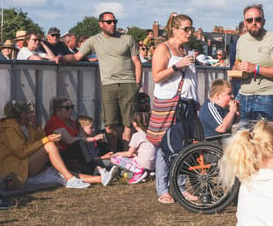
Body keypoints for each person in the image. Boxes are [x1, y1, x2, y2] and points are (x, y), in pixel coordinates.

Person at [61, 12, 142, 151]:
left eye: (114, 21)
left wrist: (137, 84)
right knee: (110, 124)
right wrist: (61, 59)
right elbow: (77, 56)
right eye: (109, 22)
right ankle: (113, 156)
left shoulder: (127, 39)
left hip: (128, 83)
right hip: (108, 85)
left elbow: (137, 62)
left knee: (127, 124)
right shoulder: (94, 40)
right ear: (101, 24)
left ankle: (126, 156)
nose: (113, 24)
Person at [150, 13, 199, 204]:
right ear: (175, 30)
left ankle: (179, 187)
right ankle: (163, 189)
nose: (189, 32)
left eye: (191, 28)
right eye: (186, 29)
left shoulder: (185, 49)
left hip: (186, 103)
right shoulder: (164, 48)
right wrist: (177, 66)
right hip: (169, 103)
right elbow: (156, 76)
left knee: (184, 145)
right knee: (165, 145)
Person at [0, 101, 94, 189]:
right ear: (22, 114)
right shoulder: (10, 130)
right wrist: (46, 140)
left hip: (25, 164)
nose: (33, 115)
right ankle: (71, 180)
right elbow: (22, 152)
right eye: (30, 113)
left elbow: (38, 142)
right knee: (50, 147)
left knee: (61, 171)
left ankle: (100, 178)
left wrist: (36, 126)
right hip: (14, 170)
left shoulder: (26, 127)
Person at [232, 4, 273, 122]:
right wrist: (236, 70)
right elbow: (237, 63)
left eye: (258, 19)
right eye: (249, 20)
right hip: (243, 95)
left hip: (266, 97)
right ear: (245, 23)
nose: (254, 23)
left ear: (263, 21)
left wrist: (255, 69)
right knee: (242, 138)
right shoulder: (241, 41)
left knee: (264, 138)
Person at [44, 98, 115, 183]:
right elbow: (69, 140)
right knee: (80, 143)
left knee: (97, 142)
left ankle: (113, 158)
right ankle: (98, 169)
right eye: (67, 107)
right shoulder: (55, 121)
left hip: (76, 152)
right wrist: (93, 138)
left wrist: (95, 139)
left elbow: (80, 135)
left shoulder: (70, 121)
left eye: (72, 107)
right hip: (62, 154)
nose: (70, 110)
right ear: (58, 109)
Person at [109, 112, 155, 184]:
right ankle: (148, 173)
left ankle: (138, 171)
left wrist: (117, 153)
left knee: (114, 158)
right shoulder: (152, 134)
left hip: (142, 164)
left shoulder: (137, 135)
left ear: (134, 123)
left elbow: (129, 153)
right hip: (152, 165)